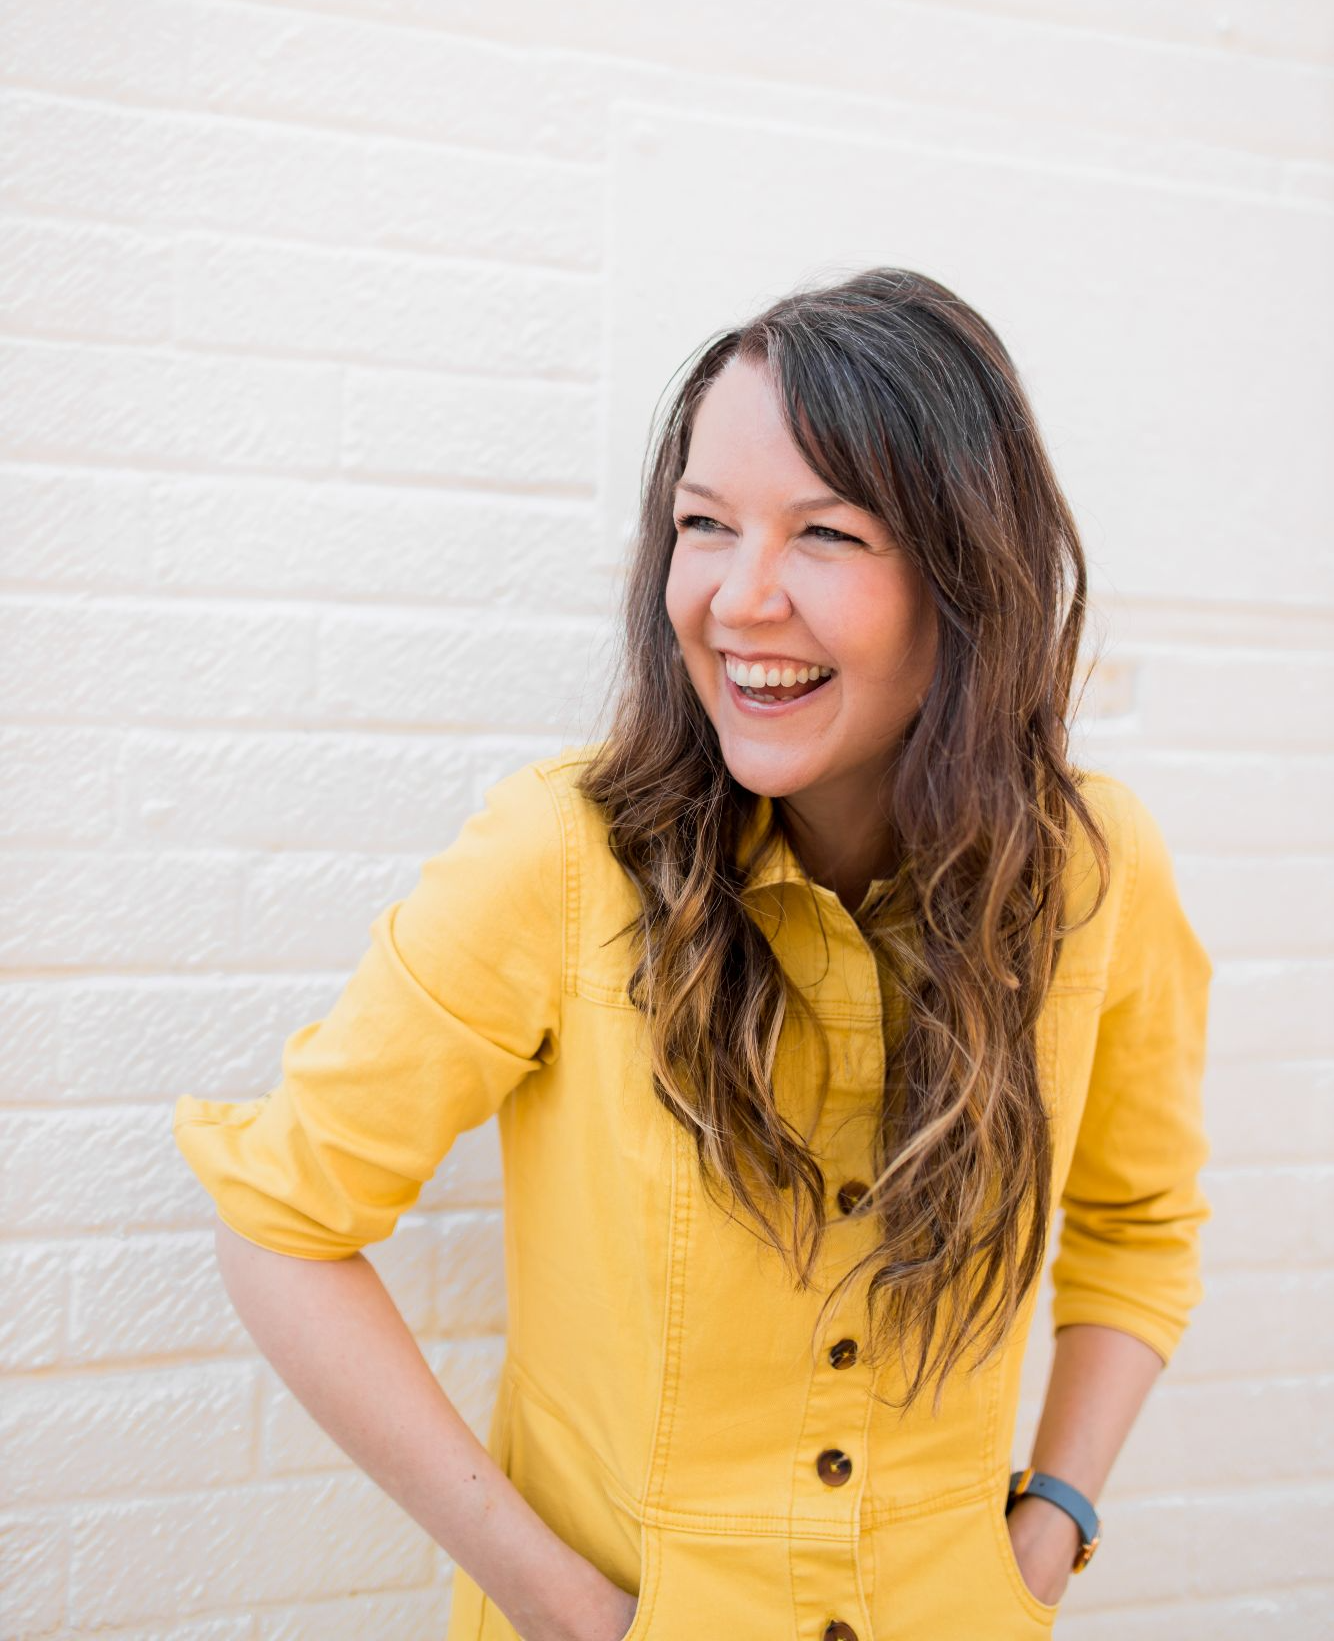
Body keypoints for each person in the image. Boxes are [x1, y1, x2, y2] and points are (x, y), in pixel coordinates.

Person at [172, 267, 1214, 1640]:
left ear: (966, 572)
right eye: (703, 525)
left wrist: (1046, 1529)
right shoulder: (559, 856)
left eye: (825, 534)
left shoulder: (1097, 872)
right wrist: (565, 1609)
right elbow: (279, 1226)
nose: (738, 598)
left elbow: (1138, 1229)